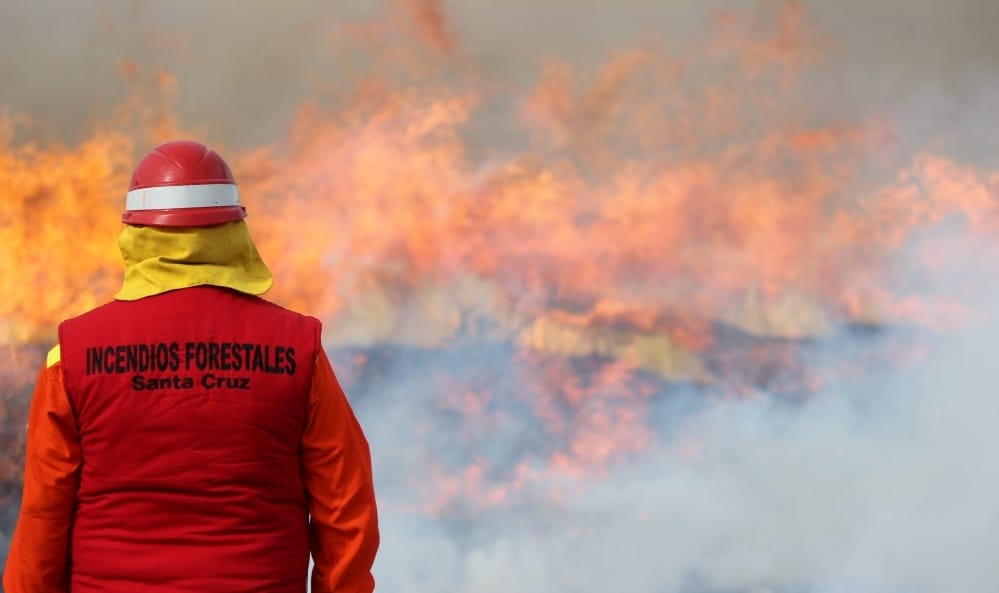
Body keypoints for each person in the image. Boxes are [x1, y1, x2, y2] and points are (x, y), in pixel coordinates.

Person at [2, 140, 380, 593]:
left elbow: (45, 514)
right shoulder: (299, 348)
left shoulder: (73, 353)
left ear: (136, 233)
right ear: (234, 229)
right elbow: (345, 506)